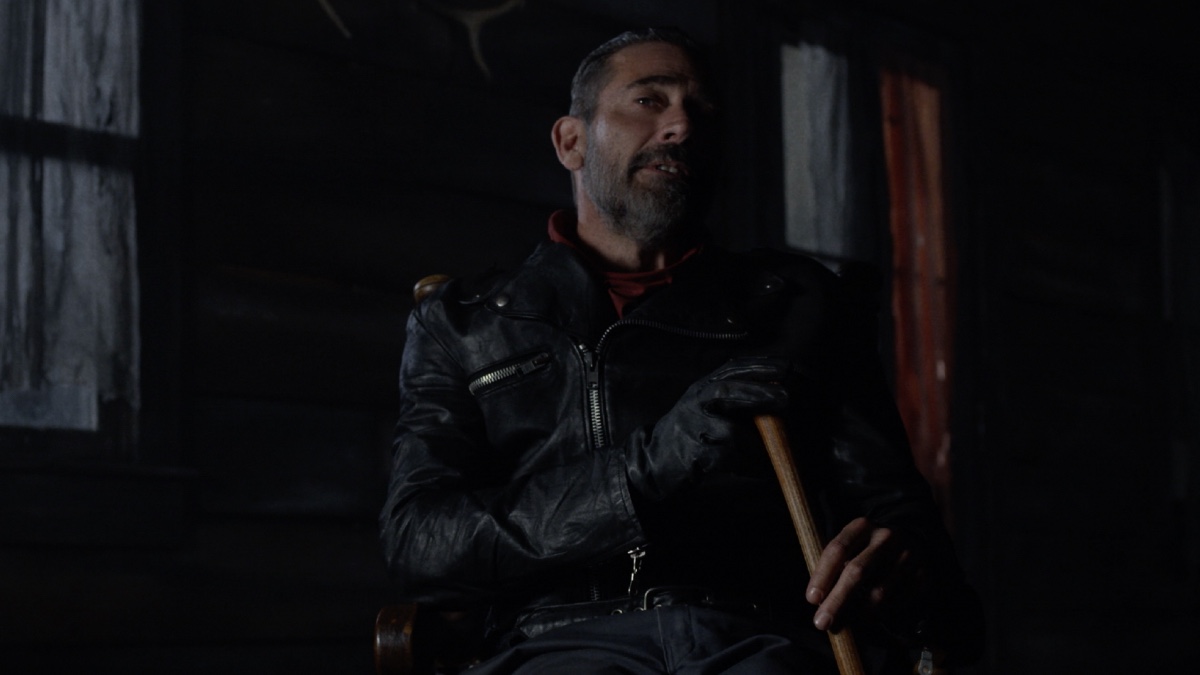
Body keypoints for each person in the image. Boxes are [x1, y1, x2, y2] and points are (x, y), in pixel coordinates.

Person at [380, 27, 983, 674]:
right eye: (650, 100)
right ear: (571, 141)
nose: (682, 126)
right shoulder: (465, 323)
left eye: (703, 111)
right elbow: (421, 542)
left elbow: (903, 524)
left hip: (759, 639)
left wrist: (903, 566)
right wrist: (650, 469)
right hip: (555, 645)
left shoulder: (795, 304)